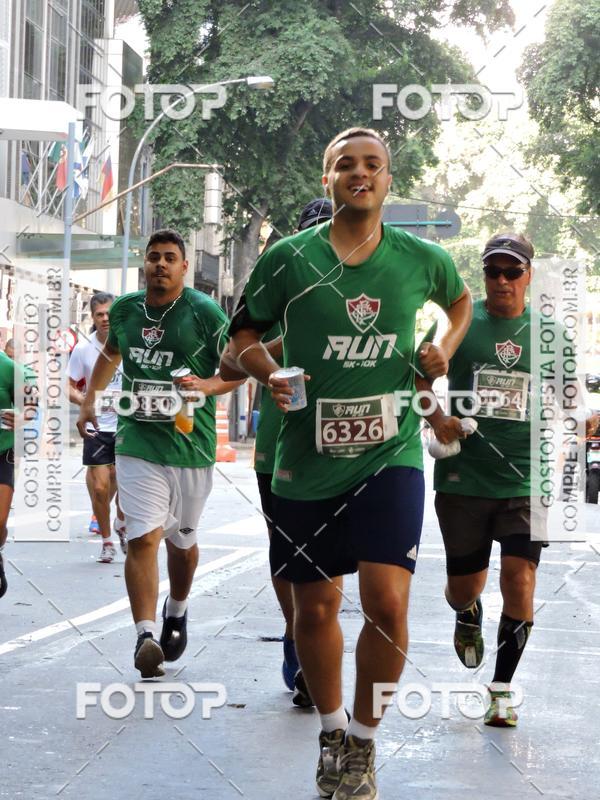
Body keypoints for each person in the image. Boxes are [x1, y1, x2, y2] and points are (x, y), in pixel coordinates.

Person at [228, 127, 471, 800]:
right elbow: (241, 334)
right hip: (306, 459)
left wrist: (443, 346)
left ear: (388, 179)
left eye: (372, 164)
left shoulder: (421, 257)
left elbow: (458, 302)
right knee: (313, 611)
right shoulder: (289, 259)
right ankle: (332, 731)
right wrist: (268, 371)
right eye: (345, 165)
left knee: (388, 603)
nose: (359, 173)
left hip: (389, 453)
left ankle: (363, 744)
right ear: (327, 179)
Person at [426, 232, 592, 726]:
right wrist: (437, 420)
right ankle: (466, 611)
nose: (501, 280)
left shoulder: (551, 335)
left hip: (528, 477)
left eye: (511, 271)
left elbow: (571, 399)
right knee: (464, 586)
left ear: (528, 276)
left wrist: (584, 419)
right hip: (463, 478)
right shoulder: (460, 323)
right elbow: (416, 377)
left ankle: (501, 690)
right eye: (492, 271)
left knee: (519, 579)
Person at [77, 229, 244, 679]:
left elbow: (237, 368)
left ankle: (177, 608)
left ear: (184, 267)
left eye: (170, 258)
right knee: (142, 538)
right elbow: (112, 353)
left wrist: (207, 386)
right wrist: (91, 398)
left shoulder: (205, 312)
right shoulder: (127, 310)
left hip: (191, 446)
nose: (160, 265)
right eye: (153, 257)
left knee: (182, 544)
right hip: (137, 441)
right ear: (144, 264)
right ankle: (145, 634)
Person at [222, 198, 332, 707]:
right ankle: (296, 634)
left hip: (349, 447)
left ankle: (313, 641)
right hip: (282, 446)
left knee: (333, 554)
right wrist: (281, 354)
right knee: (287, 548)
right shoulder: (280, 279)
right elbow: (235, 355)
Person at [68, 293, 126, 562]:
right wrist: (87, 402)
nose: (105, 319)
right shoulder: (83, 349)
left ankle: (122, 518)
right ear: (92, 318)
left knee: (124, 484)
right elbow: (68, 385)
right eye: (100, 314)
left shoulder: (129, 344)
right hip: (97, 426)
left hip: (128, 424)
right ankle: (106, 541)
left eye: (109, 313)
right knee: (101, 487)